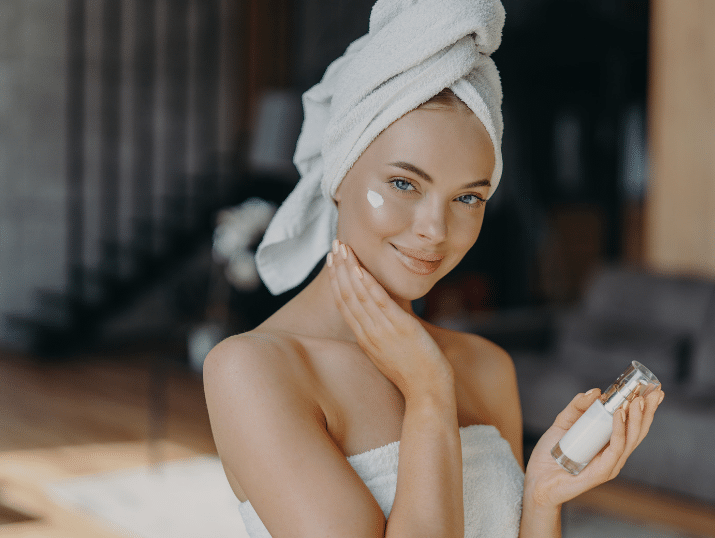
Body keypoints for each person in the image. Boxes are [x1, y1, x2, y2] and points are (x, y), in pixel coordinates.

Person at [203, 1, 663, 537]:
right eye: (404, 184)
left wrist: (540, 499)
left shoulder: (486, 366)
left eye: (468, 198)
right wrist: (428, 393)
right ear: (340, 174)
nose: (436, 230)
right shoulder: (254, 370)